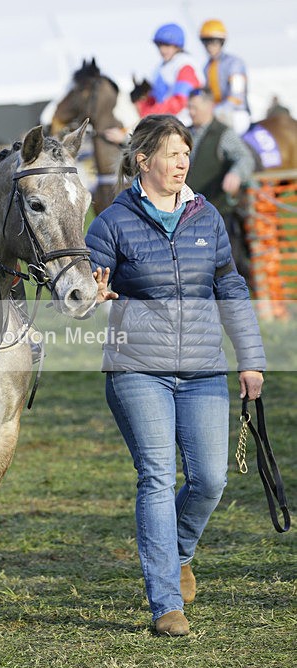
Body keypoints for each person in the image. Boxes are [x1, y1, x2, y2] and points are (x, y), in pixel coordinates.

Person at [86, 114, 265, 636]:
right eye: (171, 153)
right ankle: (166, 603)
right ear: (144, 161)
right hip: (137, 369)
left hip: (204, 368)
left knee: (210, 479)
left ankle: (180, 551)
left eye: (186, 152)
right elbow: (78, 297)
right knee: (159, 476)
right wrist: (93, 297)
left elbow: (230, 288)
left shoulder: (205, 216)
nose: (183, 162)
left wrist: (249, 357)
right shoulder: (111, 223)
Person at [187, 87, 256, 282]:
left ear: (210, 106)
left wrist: (235, 174)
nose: (191, 112)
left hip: (218, 211)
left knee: (228, 267)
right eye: (189, 107)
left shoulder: (223, 133)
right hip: (190, 213)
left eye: (195, 108)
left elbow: (244, 158)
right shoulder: (185, 133)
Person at [132, 24, 204, 125]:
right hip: (166, 122)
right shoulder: (160, 67)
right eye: (159, 45)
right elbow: (154, 99)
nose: (162, 50)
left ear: (177, 46)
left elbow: (180, 101)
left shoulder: (185, 66)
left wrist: (151, 116)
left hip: (184, 124)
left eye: (167, 45)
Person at [199, 19, 250, 135]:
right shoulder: (206, 67)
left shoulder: (235, 63)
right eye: (206, 42)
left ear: (221, 42)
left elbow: (237, 96)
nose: (209, 46)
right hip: (215, 113)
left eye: (214, 42)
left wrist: (216, 111)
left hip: (237, 113)